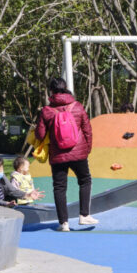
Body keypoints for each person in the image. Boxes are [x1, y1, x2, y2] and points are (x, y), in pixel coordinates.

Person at [35, 76, 96, 232]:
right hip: (78, 152)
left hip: (57, 155)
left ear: (51, 91)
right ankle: (84, 215)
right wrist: (86, 149)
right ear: (66, 88)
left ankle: (64, 224)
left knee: (59, 188)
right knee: (85, 180)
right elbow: (87, 130)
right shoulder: (77, 106)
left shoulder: (46, 110)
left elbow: (40, 135)